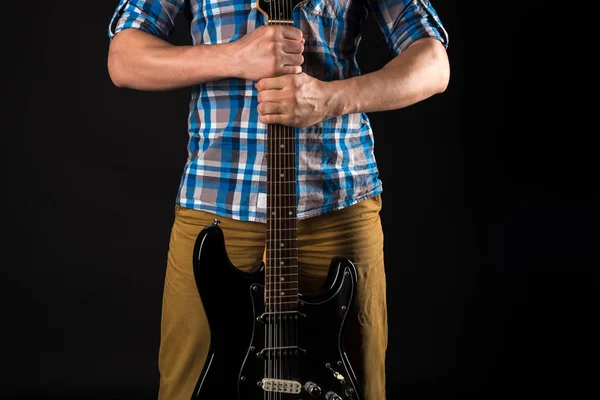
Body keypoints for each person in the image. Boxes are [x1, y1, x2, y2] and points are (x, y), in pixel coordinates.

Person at [107, 0, 449, 399]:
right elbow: (124, 58)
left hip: (338, 209)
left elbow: (433, 63)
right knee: (191, 386)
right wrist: (234, 56)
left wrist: (329, 100)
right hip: (217, 210)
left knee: (357, 386)